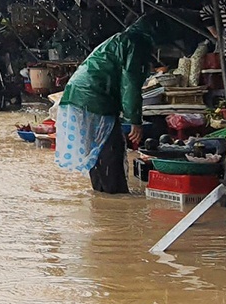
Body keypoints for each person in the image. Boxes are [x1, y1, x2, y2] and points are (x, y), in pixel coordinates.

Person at [55, 14, 167, 194]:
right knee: (110, 150)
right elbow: (130, 84)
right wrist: (135, 120)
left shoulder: (122, 39)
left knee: (97, 151)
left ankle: (101, 200)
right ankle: (115, 198)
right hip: (94, 97)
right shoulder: (136, 43)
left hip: (80, 95)